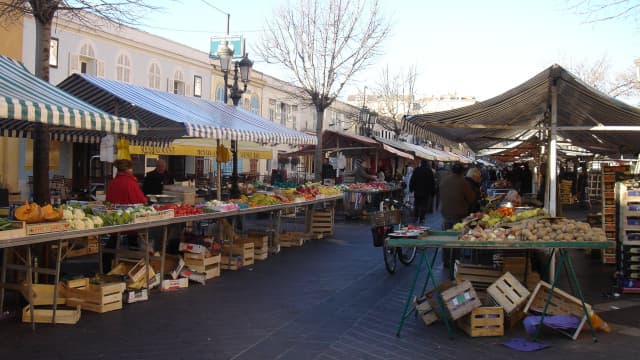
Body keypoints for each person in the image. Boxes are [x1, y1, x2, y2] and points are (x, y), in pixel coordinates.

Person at [104, 159, 147, 272]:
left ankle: (106, 267)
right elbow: (140, 200)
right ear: (128, 169)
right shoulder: (131, 182)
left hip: (115, 218)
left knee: (113, 241)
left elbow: (108, 200)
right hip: (129, 219)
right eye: (131, 168)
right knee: (133, 242)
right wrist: (146, 201)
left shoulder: (113, 182)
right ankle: (135, 269)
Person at [439, 162, 476, 267]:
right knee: (456, 238)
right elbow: (471, 198)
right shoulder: (462, 182)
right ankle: (455, 261)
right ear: (462, 172)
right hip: (458, 215)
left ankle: (446, 261)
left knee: (446, 238)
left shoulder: (444, 180)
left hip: (445, 213)